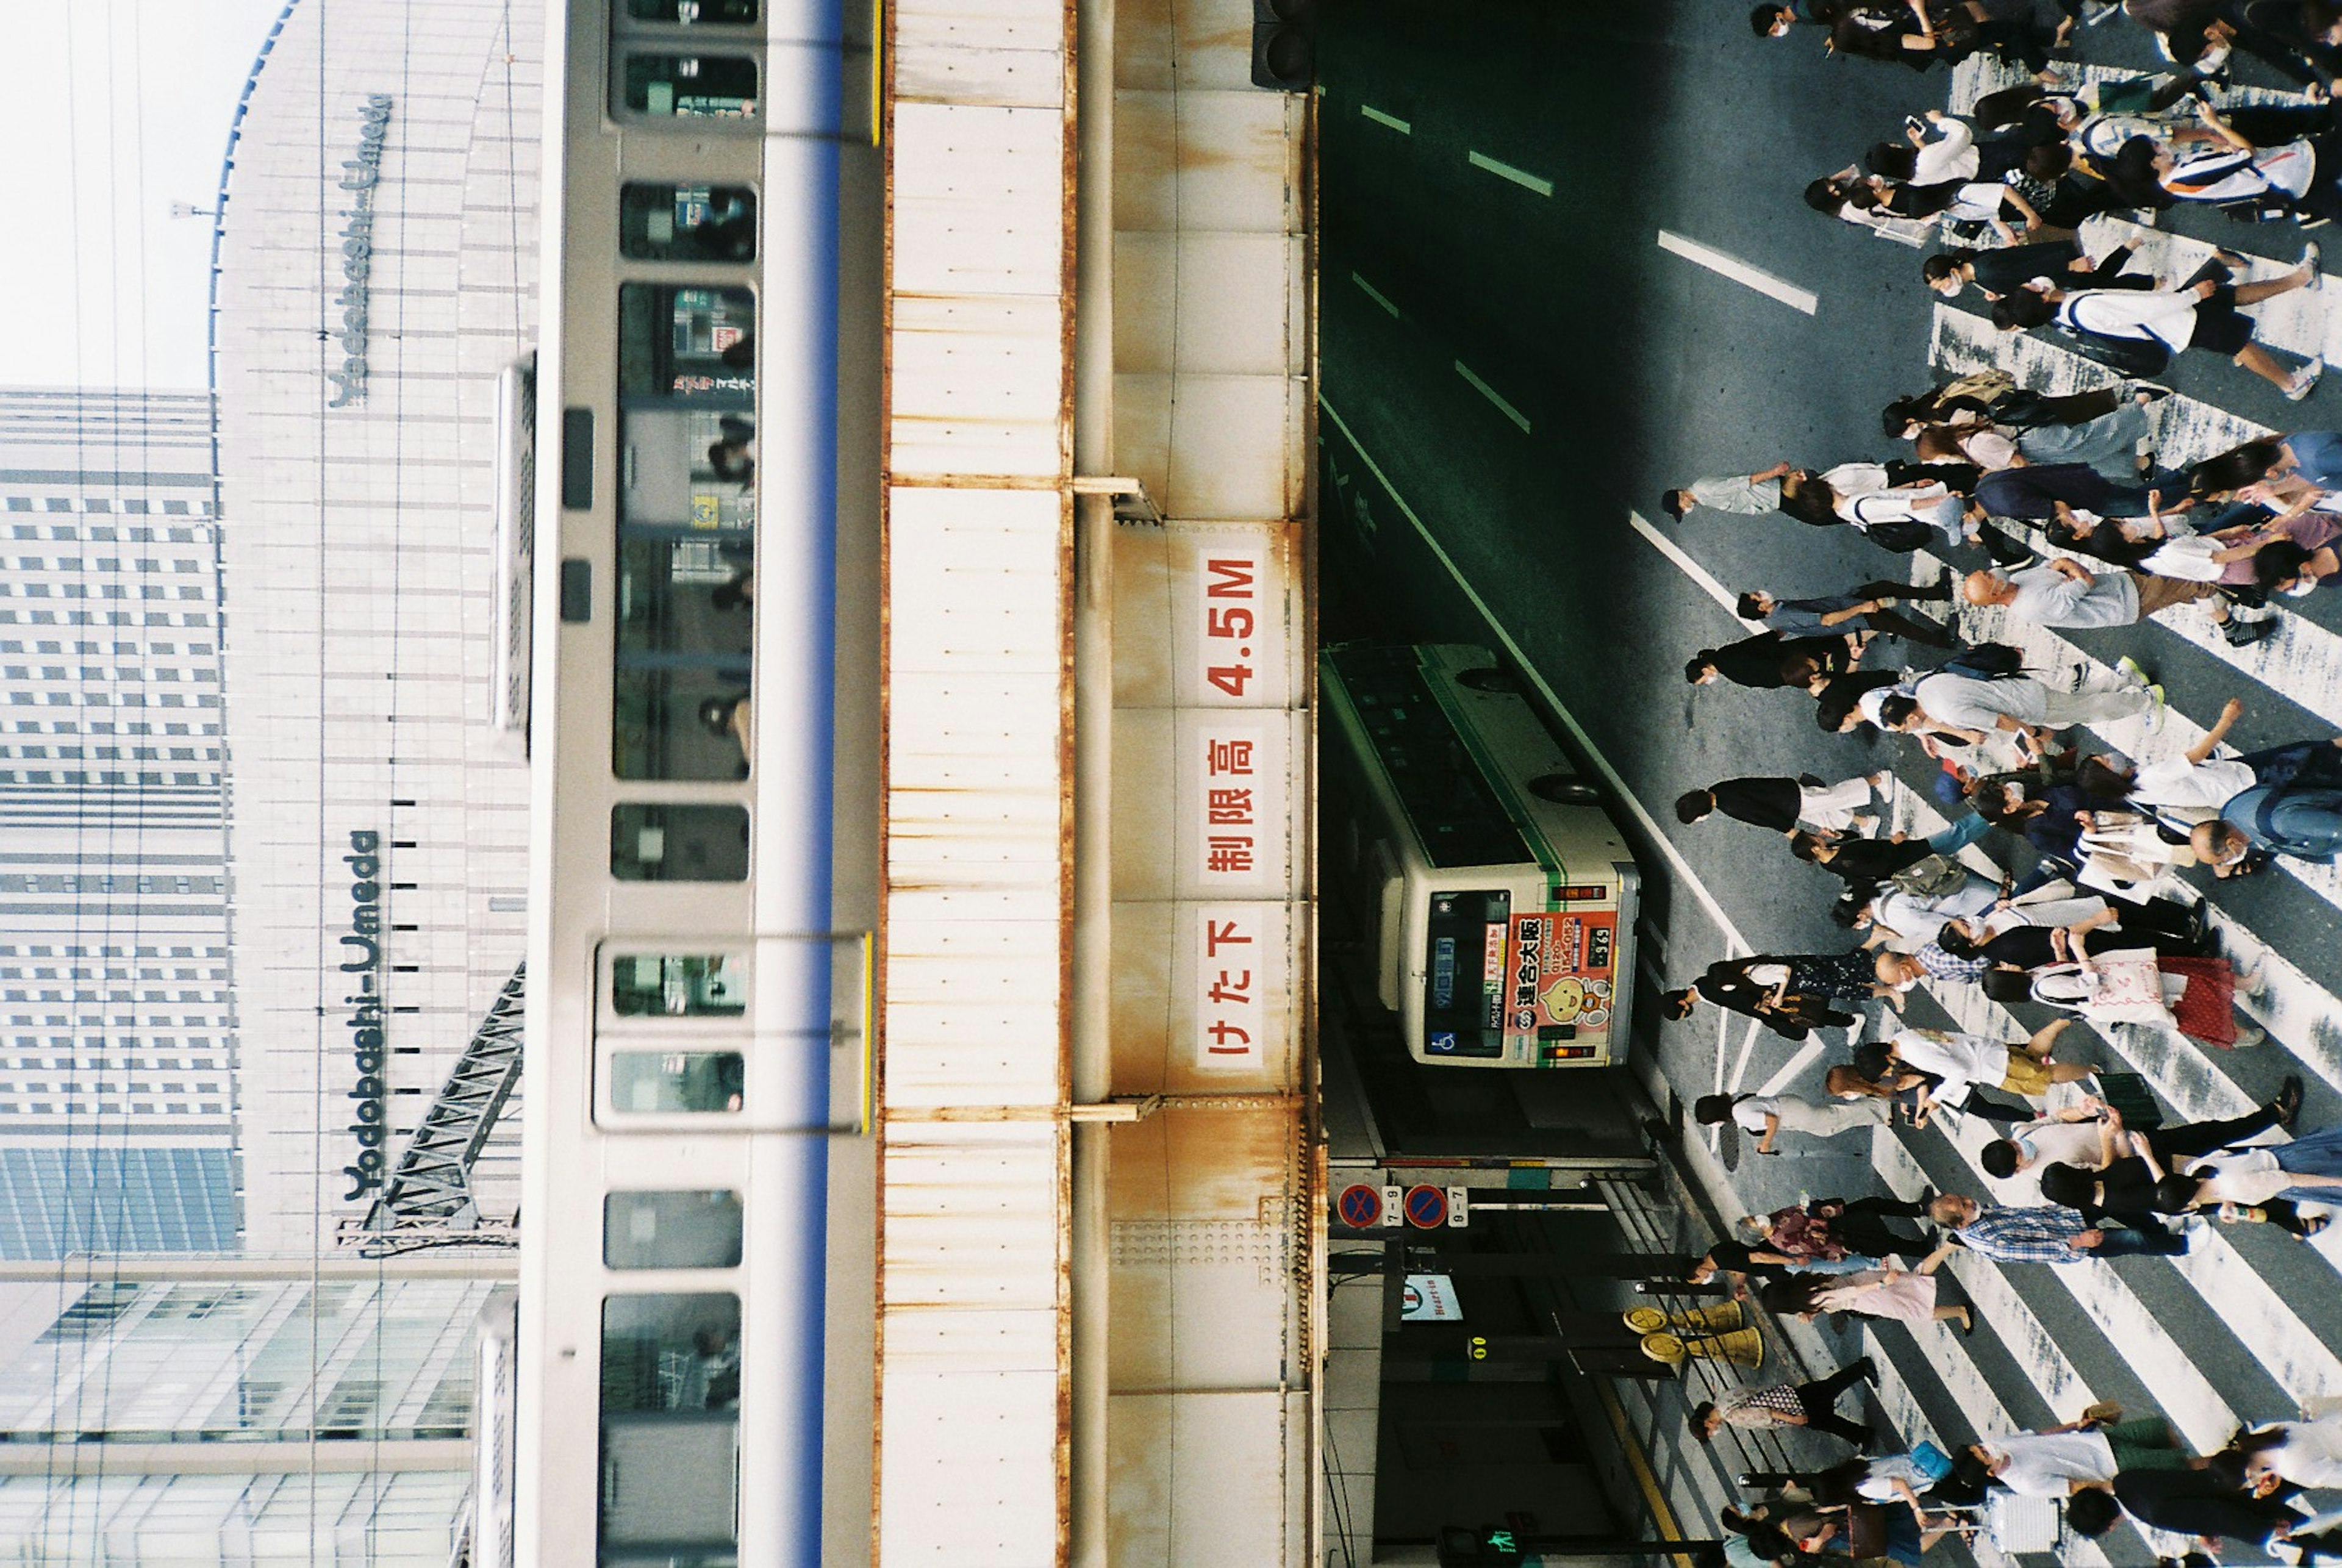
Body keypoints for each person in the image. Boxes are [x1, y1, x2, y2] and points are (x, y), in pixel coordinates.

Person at [1996, 248, 2324, 400]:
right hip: (2179, 321)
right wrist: (2192, 295)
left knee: (2233, 294)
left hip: (2178, 315)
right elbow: (2143, 309)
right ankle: (2290, 384)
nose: (2037, 282)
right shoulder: (2087, 308)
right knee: (2240, 344)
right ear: (2041, 299)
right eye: (2034, 289)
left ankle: (2300, 278)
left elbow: (2043, 279)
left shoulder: (2062, 312)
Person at [1882, 659, 2161, 754]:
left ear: (1910, 717)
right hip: (2019, 687)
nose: (1908, 731)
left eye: (1904, 726)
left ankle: (2146, 700)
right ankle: (2124, 675)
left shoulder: (1949, 713)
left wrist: (2034, 732)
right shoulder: (1926, 687)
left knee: (2091, 710)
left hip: (2028, 706)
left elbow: (2001, 720)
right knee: (2078, 705)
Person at [1959, 559, 2244, 640]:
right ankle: (2232, 626)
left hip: (2122, 586)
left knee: (2179, 585)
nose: (1991, 571)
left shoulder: (2018, 583)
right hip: (2125, 602)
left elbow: (2055, 566)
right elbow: (2083, 578)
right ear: (1995, 594)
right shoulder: (2033, 605)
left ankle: (2227, 609)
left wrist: (2067, 570)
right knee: (2191, 581)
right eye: (1987, 576)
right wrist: (2070, 570)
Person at [1661, 952, 1893, 1039]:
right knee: (1815, 998)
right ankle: (1851, 1015)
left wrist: (1763, 1007)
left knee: (1807, 1011)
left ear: (1683, 1003)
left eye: (1684, 1012)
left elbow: (1740, 1000)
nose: (1688, 1012)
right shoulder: (1703, 983)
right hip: (1768, 989)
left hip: (1769, 995)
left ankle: (1851, 1019)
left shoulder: (1711, 992)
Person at [1758, 1244, 1973, 1333]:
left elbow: (1843, 1295)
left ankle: (1959, 1312)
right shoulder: (1802, 1282)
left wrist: (1881, 1285)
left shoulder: (1810, 1299)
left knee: (1916, 1311)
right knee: (1917, 1277)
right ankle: (1948, 1247)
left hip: (1869, 1297)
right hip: (1863, 1279)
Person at [1968, 1413, 2191, 1496]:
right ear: (1991, 1472)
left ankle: (2213, 1465)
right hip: (2113, 1465)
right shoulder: (2026, 1484)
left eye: (1980, 1446)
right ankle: (2219, 1466)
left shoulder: (1999, 1443)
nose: (1987, 1447)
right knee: (2181, 1466)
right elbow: (2074, 1487)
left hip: (2101, 1439)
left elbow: (2039, 1435)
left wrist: (2076, 1424)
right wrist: (2113, 1485)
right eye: (1984, 1453)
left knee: (2160, 1428)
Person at [1885, 1021, 2093, 1106]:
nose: (1888, 1074)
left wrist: (1936, 1099)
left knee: (2047, 1076)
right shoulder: (1902, 1037)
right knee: (2032, 1055)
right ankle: (2061, 1022)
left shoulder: (1914, 1056)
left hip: (1991, 1068)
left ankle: (2091, 1072)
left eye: (1883, 1072)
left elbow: (1959, 1072)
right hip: (1986, 1050)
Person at [1927, 1192, 2186, 1259]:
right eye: (1964, 1205)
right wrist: (2079, 1242)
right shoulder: (1990, 1243)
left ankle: (2159, 1231)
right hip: (2074, 1242)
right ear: (1960, 1225)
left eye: (1962, 1198)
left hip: (2063, 1218)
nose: (1970, 1201)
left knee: (2110, 1202)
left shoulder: (1977, 1213)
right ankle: (2182, 1245)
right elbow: (2037, 1251)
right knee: (2132, 1240)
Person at [1693, 1359, 1878, 1448]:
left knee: (1827, 1401)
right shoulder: (1723, 1399)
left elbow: (1764, 1414)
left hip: (1791, 1408)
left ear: (1707, 1423)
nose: (1714, 1432)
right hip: (1784, 1396)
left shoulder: (1731, 1416)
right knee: (1826, 1409)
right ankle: (1860, 1434)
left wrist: (1792, 1419)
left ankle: (1861, 1368)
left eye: (1709, 1432)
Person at [1738, 582, 1958, 649]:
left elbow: (1788, 626)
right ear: (1760, 608)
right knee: (1902, 626)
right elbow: (1827, 620)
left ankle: (1937, 593)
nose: (1761, 592)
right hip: (1855, 615)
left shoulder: (1777, 615)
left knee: (1886, 587)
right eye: (1757, 596)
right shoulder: (1784, 614)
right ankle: (1942, 640)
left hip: (1847, 601)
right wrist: (1861, 609)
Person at [1677, 773, 1889, 836]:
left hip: (1790, 802)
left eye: (1697, 819)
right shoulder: (1718, 788)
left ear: (1700, 812)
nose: (1700, 821)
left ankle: (1878, 779)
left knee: (1836, 796)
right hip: (1786, 793)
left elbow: (1762, 815)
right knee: (1826, 812)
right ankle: (1864, 822)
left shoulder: (1729, 806)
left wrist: (1789, 830)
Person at [1696, 1091, 1893, 1151]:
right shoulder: (1736, 1103)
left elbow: (1771, 1121)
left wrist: (1766, 1144)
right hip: (1790, 1106)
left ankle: (1879, 1105)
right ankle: (1876, 1114)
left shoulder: (1740, 1114)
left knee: (1835, 1118)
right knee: (1829, 1127)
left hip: (1793, 1114)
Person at [1686, 631, 1857, 690]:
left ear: (1705, 671)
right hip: (1789, 649)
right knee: (1832, 642)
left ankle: (1869, 629)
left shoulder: (1732, 671)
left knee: (1840, 654)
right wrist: (1775, 635)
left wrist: (1796, 678)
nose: (1708, 681)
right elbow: (1752, 644)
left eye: (1704, 680)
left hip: (1795, 663)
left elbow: (1768, 678)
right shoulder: (1724, 653)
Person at [1664, 462, 1794, 521]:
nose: (1684, 512)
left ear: (1681, 497)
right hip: (1771, 499)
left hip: (1774, 494)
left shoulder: (1707, 490)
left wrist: (1775, 472)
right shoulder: (1701, 497)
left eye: (1681, 509)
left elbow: (1743, 483)